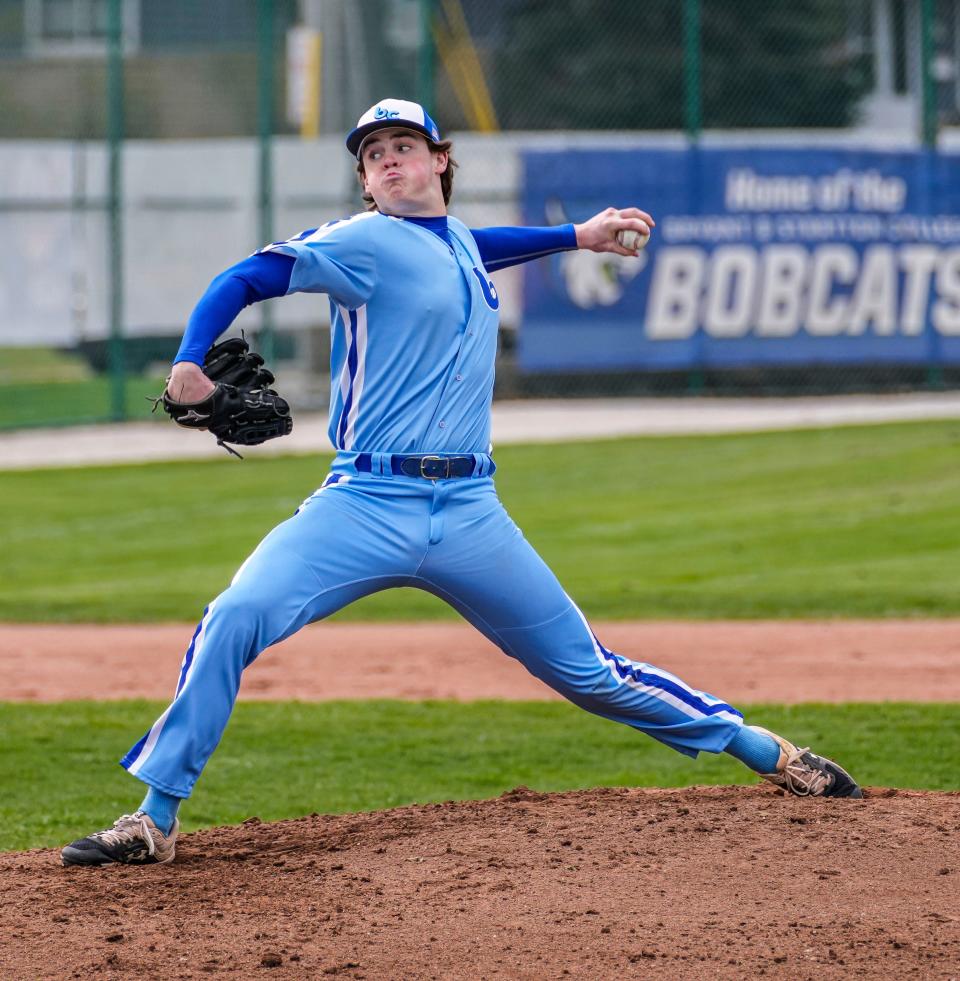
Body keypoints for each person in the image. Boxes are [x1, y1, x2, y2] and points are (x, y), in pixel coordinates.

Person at [61, 99, 861, 867]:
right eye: (374, 156)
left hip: (471, 511)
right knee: (235, 615)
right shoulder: (361, 242)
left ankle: (767, 750)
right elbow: (245, 277)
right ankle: (155, 817)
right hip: (364, 503)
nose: (388, 161)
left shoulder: (459, 244)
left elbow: (479, 244)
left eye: (404, 146)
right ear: (366, 184)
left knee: (588, 673)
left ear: (441, 161)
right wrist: (190, 363)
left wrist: (577, 235)